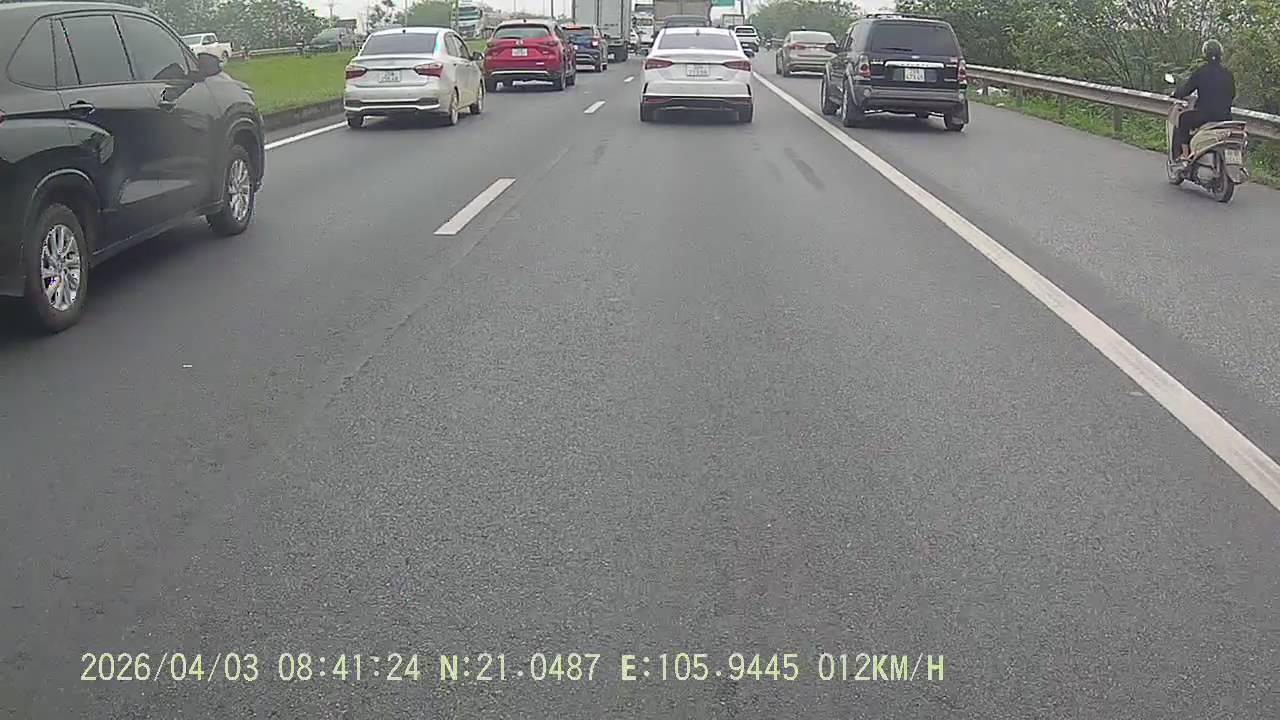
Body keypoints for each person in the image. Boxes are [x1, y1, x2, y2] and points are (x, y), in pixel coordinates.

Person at [1172, 39, 1236, 161]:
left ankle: (1185, 154)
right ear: (1220, 54)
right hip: (1225, 117)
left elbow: (1186, 90)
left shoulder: (1201, 72)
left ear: (1205, 54)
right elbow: (1233, 94)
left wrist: (1175, 94)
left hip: (1205, 116)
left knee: (1183, 119)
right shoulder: (1228, 74)